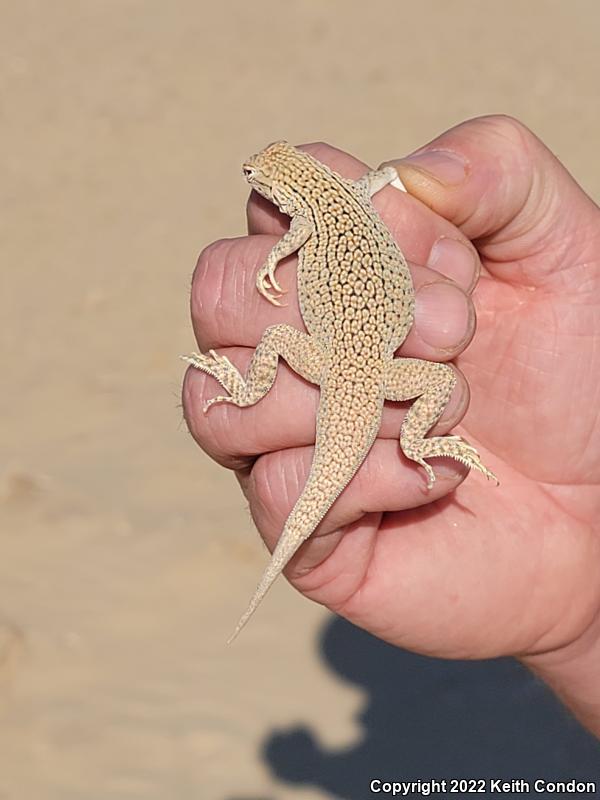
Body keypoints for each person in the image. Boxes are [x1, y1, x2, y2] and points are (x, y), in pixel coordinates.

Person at [182, 116, 600, 735]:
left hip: (337, 365)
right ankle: (417, 439)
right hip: (375, 372)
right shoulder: (361, 192)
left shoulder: (302, 228)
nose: (253, 180)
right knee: (429, 383)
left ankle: (250, 390)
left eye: (258, 177)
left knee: (274, 333)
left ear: (289, 194)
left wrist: (274, 262)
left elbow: (289, 245)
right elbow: (383, 178)